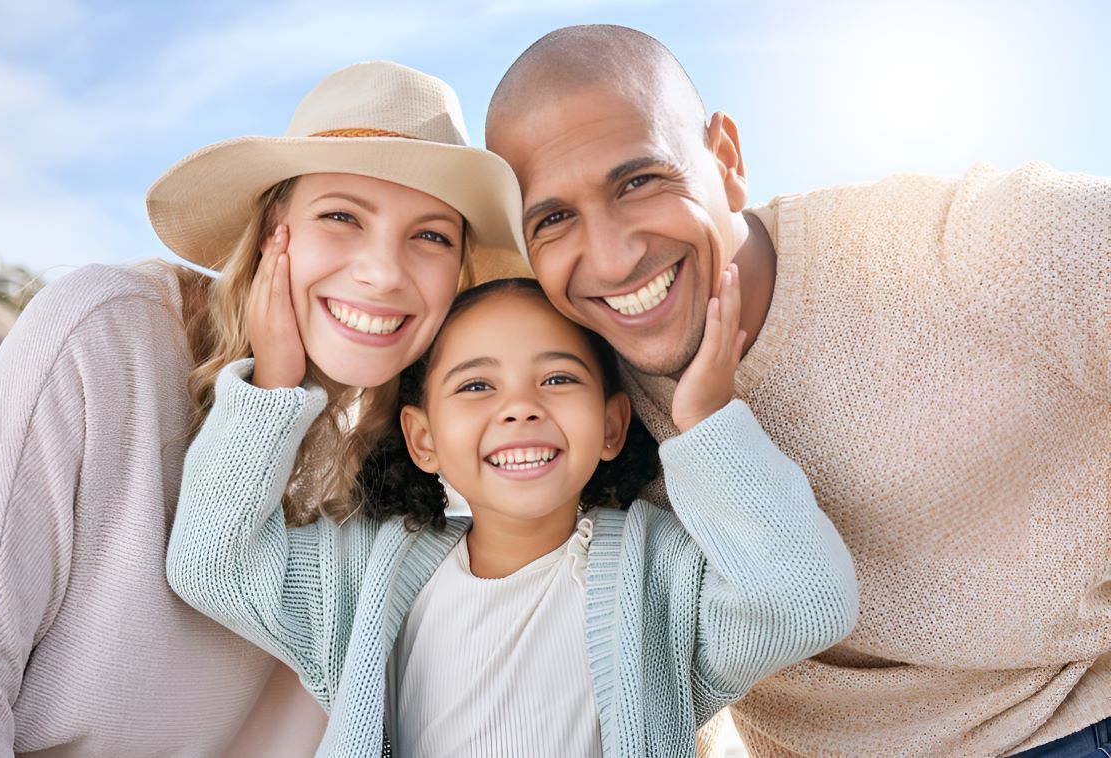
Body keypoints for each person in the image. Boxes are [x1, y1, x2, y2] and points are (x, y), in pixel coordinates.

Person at [483, 24, 1111, 758]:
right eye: (555, 218)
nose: (615, 257)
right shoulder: (578, 404)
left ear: (725, 160)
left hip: (1063, 721)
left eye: (639, 181)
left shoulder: (968, 248)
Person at [0, 60, 525, 756]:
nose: (384, 271)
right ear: (272, 230)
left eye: (432, 235)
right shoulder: (106, 336)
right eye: (341, 216)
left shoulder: (400, 467)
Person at [167, 275, 858, 757]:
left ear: (613, 426)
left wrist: (706, 424)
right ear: (423, 438)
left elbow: (805, 602)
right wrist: (274, 386)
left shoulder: (663, 580)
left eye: (558, 378)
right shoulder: (367, 576)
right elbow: (211, 565)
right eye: (475, 385)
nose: (521, 406)